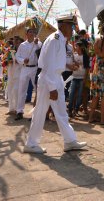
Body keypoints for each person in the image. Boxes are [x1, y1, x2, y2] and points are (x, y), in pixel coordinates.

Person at [23, 15, 87, 153]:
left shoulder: (60, 40)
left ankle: (70, 141)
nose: (72, 30)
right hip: (49, 80)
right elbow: (48, 65)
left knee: (61, 112)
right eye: (71, 26)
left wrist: (68, 66)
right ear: (63, 25)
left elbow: (56, 61)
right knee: (40, 113)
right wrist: (52, 88)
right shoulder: (54, 40)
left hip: (54, 78)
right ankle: (31, 143)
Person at [14, 29, 42, 120]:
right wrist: (23, 61)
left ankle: (35, 112)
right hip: (25, 68)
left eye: (33, 32)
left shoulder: (38, 43)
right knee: (22, 89)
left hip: (35, 68)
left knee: (37, 89)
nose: (32, 33)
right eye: (30, 32)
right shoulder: (22, 45)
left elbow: (41, 54)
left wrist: (37, 44)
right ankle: (19, 111)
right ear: (26, 34)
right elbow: (17, 56)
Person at [6, 36, 24, 115]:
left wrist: (18, 61)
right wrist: (8, 61)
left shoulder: (23, 49)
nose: (15, 41)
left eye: (17, 40)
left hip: (19, 71)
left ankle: (18, 109)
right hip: (11, 71)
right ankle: (11, 108)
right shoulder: (10, 50)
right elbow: (6, 59)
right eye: (14, 40)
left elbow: (24, 60)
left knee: (16, 90)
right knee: (10, 89)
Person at [68, 40, 85, 118]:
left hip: (82, 78)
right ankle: (70, 110)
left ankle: (76, 110)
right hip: (74, 77)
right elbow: (72, 65)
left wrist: (85, 78)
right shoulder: (74, 56)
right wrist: (73, 67)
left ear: (81, 47)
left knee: (79, 96)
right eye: (75, 46)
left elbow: (87, 68)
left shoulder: (85, 56)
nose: (75, 47)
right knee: (71, 95)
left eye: (77, 46)